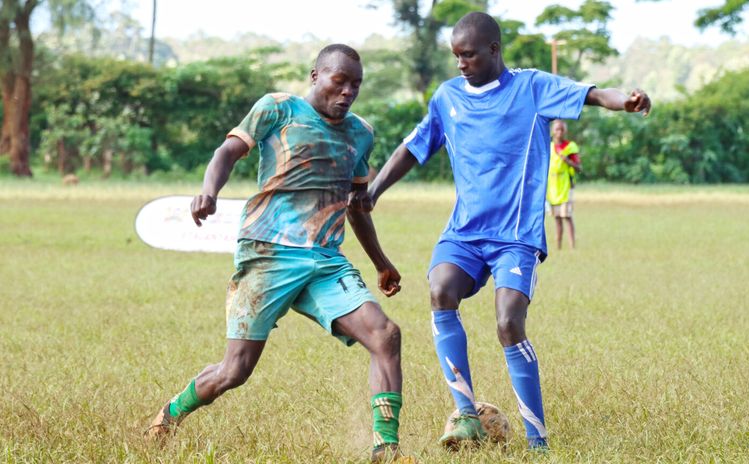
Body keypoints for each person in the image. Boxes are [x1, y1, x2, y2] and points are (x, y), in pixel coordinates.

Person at [367, 12, 651, 451]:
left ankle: (538, 443)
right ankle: (466, 417)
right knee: (440, 289)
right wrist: (374, 190)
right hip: (464, 233)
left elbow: (592, 94)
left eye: (469, 54)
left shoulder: (531, 87)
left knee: (508, 322)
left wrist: (626, 101)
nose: (461, 63)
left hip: (516, 237)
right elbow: (413, 147)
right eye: (456, 56)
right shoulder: (447, 97)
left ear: (494, 50)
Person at [145, 44, 408, 463]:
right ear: (315, 76)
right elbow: (226, 151)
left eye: (355, 85)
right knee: (236, 371)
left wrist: (381, 262)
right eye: (339, 81)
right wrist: (209, 192)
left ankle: (386, 450)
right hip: (268, 253)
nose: (347, 92)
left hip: (324, 259)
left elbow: (357, 204)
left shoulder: (362, 133)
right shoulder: (278, 109)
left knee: (385, 335)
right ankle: (170, 415)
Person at [547, 120, 581, 250]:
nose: (559, 132)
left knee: (567, 216)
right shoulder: (548, 147)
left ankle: (572, 247)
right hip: (552, 189)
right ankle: (558, 247)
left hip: (566, 187)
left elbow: (579, 167)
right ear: (552, 131)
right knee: (557, 218)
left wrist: (566, 160)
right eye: (557, 129)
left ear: (565, 131)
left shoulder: (570, 147)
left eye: (562, 129)